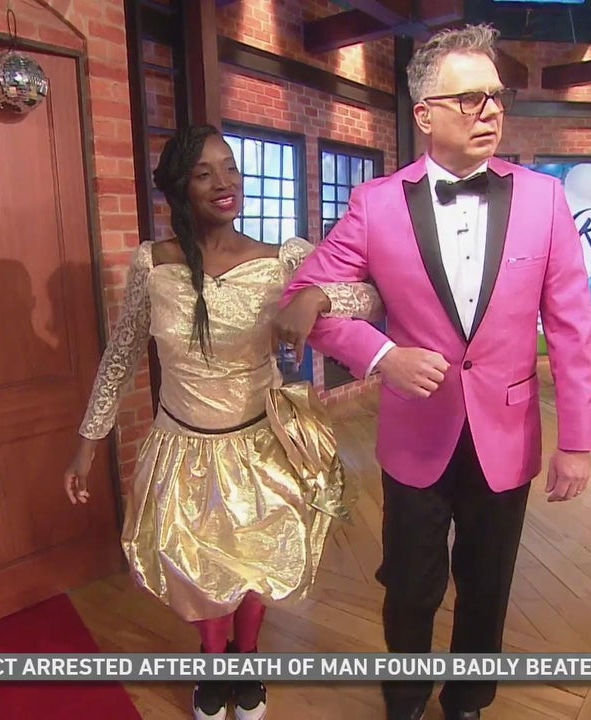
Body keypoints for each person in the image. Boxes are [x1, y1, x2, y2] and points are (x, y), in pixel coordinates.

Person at [275, 23, 591, 720]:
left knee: (488, 585)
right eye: (470, 99)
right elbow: (303, 297)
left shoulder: (544, 199)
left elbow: (573, 326)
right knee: (410, 586)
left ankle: (469, 700)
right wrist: (382, 357)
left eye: (496, 97)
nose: (491, 112)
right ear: (424, 114)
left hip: (507, 431)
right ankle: (406, 698)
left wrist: (578, 440)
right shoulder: (376, 204)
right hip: (415, 433)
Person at [63, 124, 383, 720]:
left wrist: (311, 298)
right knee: (198, 567)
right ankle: (214, 662)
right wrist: (88, 440)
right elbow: (123, 352)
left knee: (255, 560)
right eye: (204, 172)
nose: (224, 182)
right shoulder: (152, 264)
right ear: (178, 187)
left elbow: (367, 296)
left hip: (260, 444)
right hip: (181, 446)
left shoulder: (282, 259)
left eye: (230, 167)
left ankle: (248, 658)